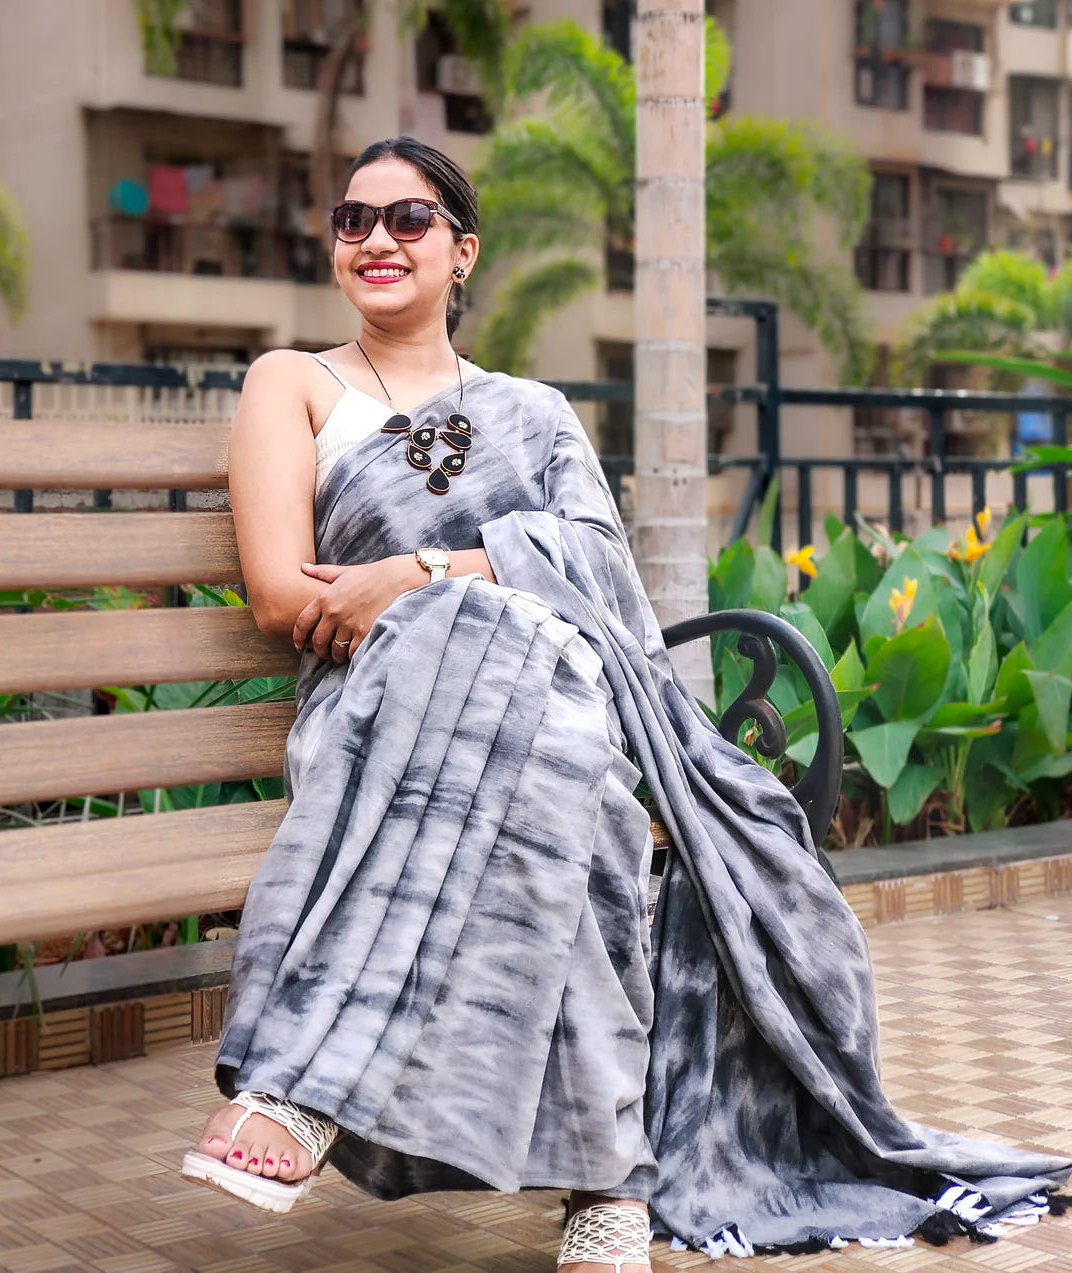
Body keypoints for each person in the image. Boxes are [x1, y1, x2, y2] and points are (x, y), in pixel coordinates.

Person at [181, 137, 1070, 1267]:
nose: (376, 241)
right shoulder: (291, 382)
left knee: (565, 758)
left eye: (408, 220)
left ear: (462, 252)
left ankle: (317, 1083)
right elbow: (280, 595)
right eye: (353, 221)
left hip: (547, 707)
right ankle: (599, 1174)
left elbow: (598, 564)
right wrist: (459, 600)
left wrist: (417, 573)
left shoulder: (535, 410)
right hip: (381, 720)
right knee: (582, 791)